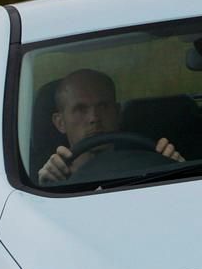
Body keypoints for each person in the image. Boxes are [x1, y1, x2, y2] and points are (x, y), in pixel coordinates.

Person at [37, 68, 183, 184]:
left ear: (118, 113)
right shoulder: (55, 178)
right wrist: (47, 184)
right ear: (60, 122)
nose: (94, 118)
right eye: (80, 109)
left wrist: (176, 168)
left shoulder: (148, 162)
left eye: (103, 106)